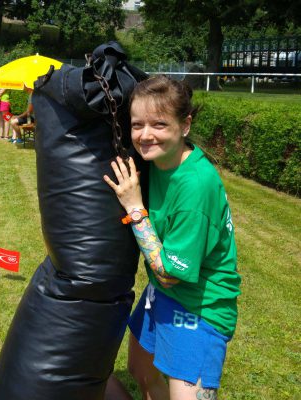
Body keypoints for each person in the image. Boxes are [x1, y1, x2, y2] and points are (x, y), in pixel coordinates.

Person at [103, 76, 241, 400]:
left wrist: (135, 208)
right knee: (141, 371)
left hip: (200, 308)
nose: (145, 135)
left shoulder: (195, 185)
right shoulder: (156, 163)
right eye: (137, 124)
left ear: (185, 124)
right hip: (161, 297)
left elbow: (168, 275)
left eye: (159, 124)